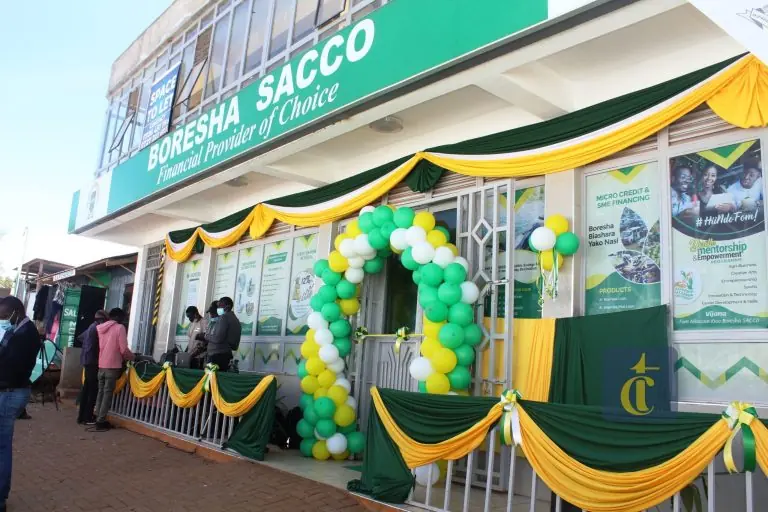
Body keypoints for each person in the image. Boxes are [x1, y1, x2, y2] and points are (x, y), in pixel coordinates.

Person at [0, 297, 40, 512]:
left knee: (2, 447)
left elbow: (10, 367)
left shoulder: (25, 335)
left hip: (10, 392)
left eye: (5, 316)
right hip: (10, 390)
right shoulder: (19, 331)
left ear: (16, 311)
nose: (3, 320)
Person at [93, 308, 134, 431]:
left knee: (100, 392)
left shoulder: (100, 328)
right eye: (123, 318)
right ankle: (101, 421)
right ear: (118, 317)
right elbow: (123, 349)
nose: (124, 320)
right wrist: (133, 357)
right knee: (107, 394)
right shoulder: (120, 328)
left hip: (101, 365)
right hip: (112, 366)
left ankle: (97, 416)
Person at [76, 310, 108, 425]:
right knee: (92, 390)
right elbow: (94, 347)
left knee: (86, 389)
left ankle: (81, 416)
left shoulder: (91, 327)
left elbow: (80, 337)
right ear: (102, 320)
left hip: (87, 361)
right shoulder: (97, 329)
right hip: (92, 362)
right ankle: (88, 417)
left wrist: (86, 346)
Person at [204, 297, 240, 371]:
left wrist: (206, 336)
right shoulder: (235, 319)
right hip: (226, 354)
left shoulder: (224, 317)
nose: (218, 308)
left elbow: (218, 338)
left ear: (228, 306)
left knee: (211, 377)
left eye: (220, 305)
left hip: (217, 356)